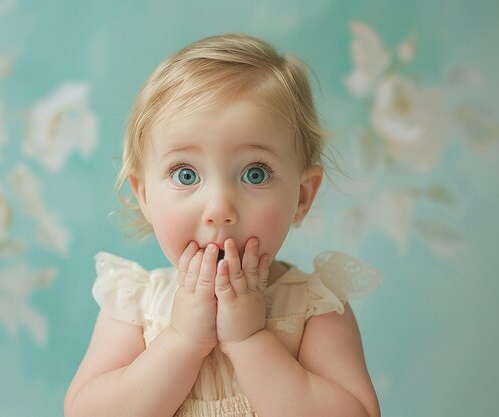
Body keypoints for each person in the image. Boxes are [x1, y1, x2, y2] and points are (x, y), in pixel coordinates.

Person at [64, 33, 382, 417]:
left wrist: (250, 341)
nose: (219, 209)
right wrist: (182, 340)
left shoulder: (315, 308)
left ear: (302, 196)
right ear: (144, 195)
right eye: (185, 175)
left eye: (254, 173)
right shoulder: (136, 305)